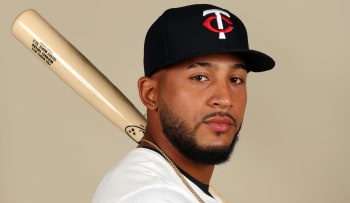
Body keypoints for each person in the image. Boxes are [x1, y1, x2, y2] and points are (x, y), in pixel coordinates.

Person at [92, 4, 275, 203]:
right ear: (150, 94)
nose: (225, 99)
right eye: (199, 77)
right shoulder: (149, 196)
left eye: (235, 79)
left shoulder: (180, 188)